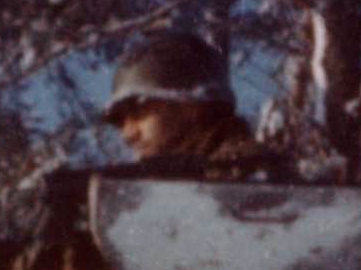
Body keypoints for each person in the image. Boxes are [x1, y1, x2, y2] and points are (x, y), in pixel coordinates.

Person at [98, 23, 296, 179]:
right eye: (120, 121)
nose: (128, 134)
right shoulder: (164, 181)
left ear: (191, 105)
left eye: (139, 112)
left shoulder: (250, 179)